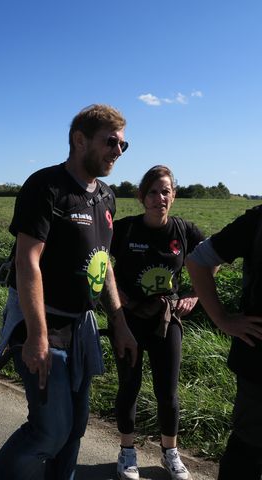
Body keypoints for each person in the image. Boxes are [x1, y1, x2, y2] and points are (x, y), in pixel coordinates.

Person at [0, 104, 137, 480]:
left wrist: (119, 322)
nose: (118, 151)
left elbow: (103, 262)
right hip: (41, 321)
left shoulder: (107, 197)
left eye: (123, 145)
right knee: (50, 430)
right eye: (111, 142)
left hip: (80, 325)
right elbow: (26, 262)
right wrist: (37, 336)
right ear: (80, 140)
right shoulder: (45, 187)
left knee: (75, 429)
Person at [110, 166, 206, 480]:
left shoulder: (184, 231)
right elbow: (95, 257)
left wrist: (194, 292)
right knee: (130, 386)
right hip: (129, 321)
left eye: (165, 191)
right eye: (152, 191)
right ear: (141, 197)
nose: (159, 198)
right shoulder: (125, 230)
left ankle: (170, 453)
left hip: (167, 321)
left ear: (173, 196)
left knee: (168, 392)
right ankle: (127, 452)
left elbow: (211, 259)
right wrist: (114, 293)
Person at [186, 207, 262, 479]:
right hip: (258, 367)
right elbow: (197, 261)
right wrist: (223, 319)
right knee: (249, 451)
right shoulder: (258, 221)